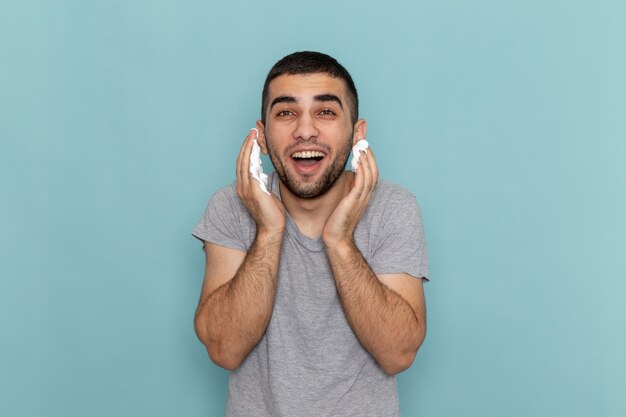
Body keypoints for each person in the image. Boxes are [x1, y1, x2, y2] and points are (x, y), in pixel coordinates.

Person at [192, 51, 429, 417]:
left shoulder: (394, 208)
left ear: (356, 134)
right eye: (286, 113)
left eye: (326, 112)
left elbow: (398, 354)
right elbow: (224, 349)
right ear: (263, 137)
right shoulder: (232, 205)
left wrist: (339, 241)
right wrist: (269, 231)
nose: (305, 130)